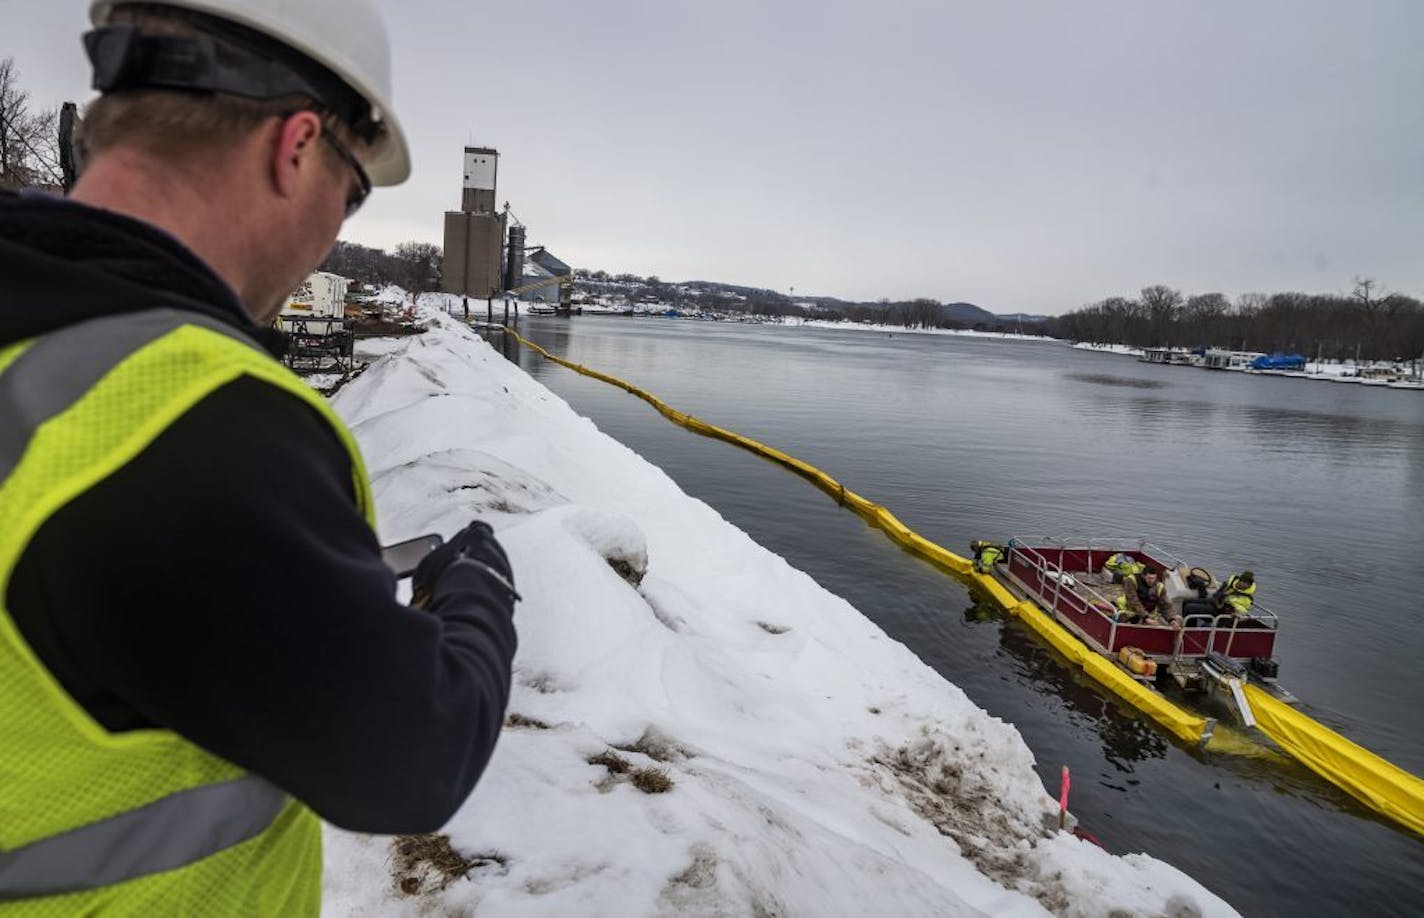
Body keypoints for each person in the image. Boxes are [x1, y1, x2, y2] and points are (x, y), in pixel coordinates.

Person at [0, 2, 517, 913]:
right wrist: (479, 587)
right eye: (353, 190)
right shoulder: (189, 416)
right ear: (296, 145)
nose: (337, 223)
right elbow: (408, 757)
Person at [1116, 568, 1180, 627]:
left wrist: (1171, 620)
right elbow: (1133, 601)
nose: (1152, 581)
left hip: (1148, 614)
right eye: (1149, 578)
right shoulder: (1131, 580)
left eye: (1153, 578)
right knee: (1123, 619)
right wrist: (1146, 617)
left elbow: (1165, 605)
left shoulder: (1159, 587)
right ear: (1143, 576)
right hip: (1129, 610)